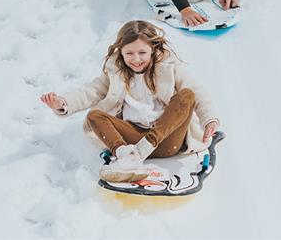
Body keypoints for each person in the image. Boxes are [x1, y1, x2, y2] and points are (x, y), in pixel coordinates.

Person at [40, 20, 220, 183]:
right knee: (94, 116)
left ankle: (139, 152)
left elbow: (197, 90)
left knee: (186, 95)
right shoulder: (115, 71)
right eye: (129, 53)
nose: (136, 59)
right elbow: (92, 90)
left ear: (153, 49)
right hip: (131, 140)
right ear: (121, 52)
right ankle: (127, 156)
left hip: (166, 139)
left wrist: (209, 119)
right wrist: (63, 103)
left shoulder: (169, 67)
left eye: (142, 52)